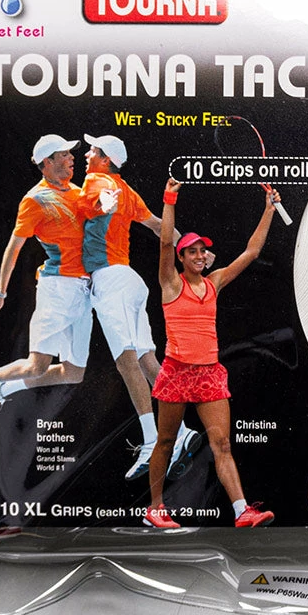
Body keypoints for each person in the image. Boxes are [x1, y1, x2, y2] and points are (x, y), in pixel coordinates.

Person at [143, 177, 279, 530]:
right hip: (176, 371)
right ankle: (155, 508)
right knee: (166, 441)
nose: (200, 256)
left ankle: (242, 511)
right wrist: (169, 199)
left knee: (222, 444)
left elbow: (251, 252)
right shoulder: (171, 282)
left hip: (208, 373)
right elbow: (164, 242)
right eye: (193, 251)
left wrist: (269, 210)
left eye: (203, 251)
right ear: (181, 257)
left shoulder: (215, 281)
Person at [77, 134, 201, 481]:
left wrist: (102, 202)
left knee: (126, 360)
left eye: (93, 150)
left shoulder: (97, 180)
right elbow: (160, 227)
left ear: (105, 159)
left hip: (110, 280)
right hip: (130, 281)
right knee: (147, 360)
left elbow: (98, 201)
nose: (87, 154)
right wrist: (193, 251)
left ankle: (152, 440)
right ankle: (182, 431)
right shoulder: (127, 190)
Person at [0, 134, 92, 421]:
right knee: (37, 366)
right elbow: (14, 248)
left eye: (70, 154)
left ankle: (0, 390)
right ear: (47, 162)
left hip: (84, 291)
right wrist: (0, 293)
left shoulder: (79, 193)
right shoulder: (34, 200)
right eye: (64, 154)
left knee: (73, 373)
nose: (72, 158)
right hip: (57, 288)